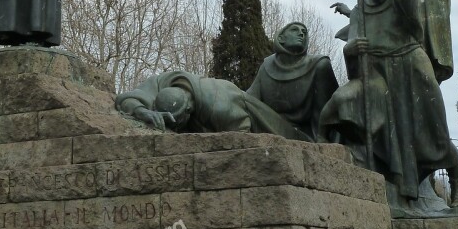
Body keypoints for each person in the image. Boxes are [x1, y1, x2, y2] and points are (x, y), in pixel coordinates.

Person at [319, 0, 458, 209]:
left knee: (435, 133)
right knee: (345, 104)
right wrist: (351, 49)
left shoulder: (405, 0)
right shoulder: (359, 12)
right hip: (378, 74)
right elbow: (352, 50)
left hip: (413, 68)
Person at [115, 70, 313, 141]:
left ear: (187, 111)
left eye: (176, 122)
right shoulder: (166, 83)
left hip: (257, 120)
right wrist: (143, 111)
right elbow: (127, 98)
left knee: (296, 140)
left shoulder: (220, 107)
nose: (173, 127)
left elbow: (241, 137)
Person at [246, 22, 339, 141]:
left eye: (304, 32)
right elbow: (250, 100)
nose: (301, 34)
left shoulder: (319, 65)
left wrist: (322, 142)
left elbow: (326, 113)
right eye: (295, 30)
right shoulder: (267, 65)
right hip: (268, 126)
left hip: (303, 135)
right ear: (280, 38)